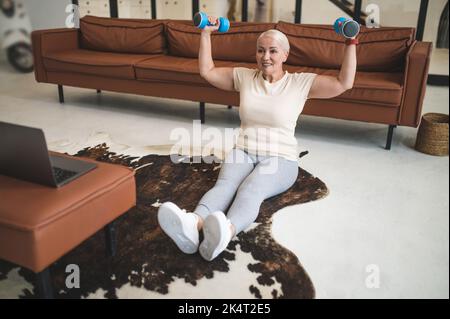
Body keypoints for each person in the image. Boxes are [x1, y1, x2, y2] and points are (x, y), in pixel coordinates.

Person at [158, 16, 357, 261]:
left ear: (285, 54)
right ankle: (192, 225)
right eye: (261, 50)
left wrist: (351, 42)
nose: (265, 57)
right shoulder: (245, 77)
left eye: (273, 51)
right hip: (244, 150)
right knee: (225, 186)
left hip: (281, 158)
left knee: (250, 190)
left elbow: (343, 83)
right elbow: (207, 71)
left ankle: (224, 233)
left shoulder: (300, 83)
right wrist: (206, 33)